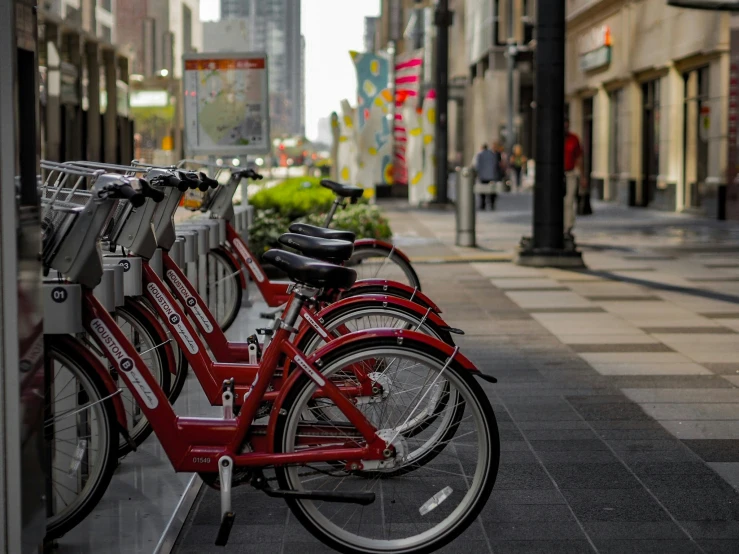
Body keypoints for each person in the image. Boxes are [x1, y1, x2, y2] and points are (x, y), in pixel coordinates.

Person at [563, 118, 583, 234]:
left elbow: (579, 157)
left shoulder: (573, 138)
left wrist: (582, 176)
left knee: (569, 200)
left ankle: (568, 226)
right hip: (556, 175)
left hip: (570, 173)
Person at [472, 143, 503, 210]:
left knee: (483, 191)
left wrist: (478, 174)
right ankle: (492, 204)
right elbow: (496, 164)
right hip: (492, 176)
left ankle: (483, 205)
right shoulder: (492, 155)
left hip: (483, 176)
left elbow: (478, 166)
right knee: (492, 190)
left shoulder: (480, 155)